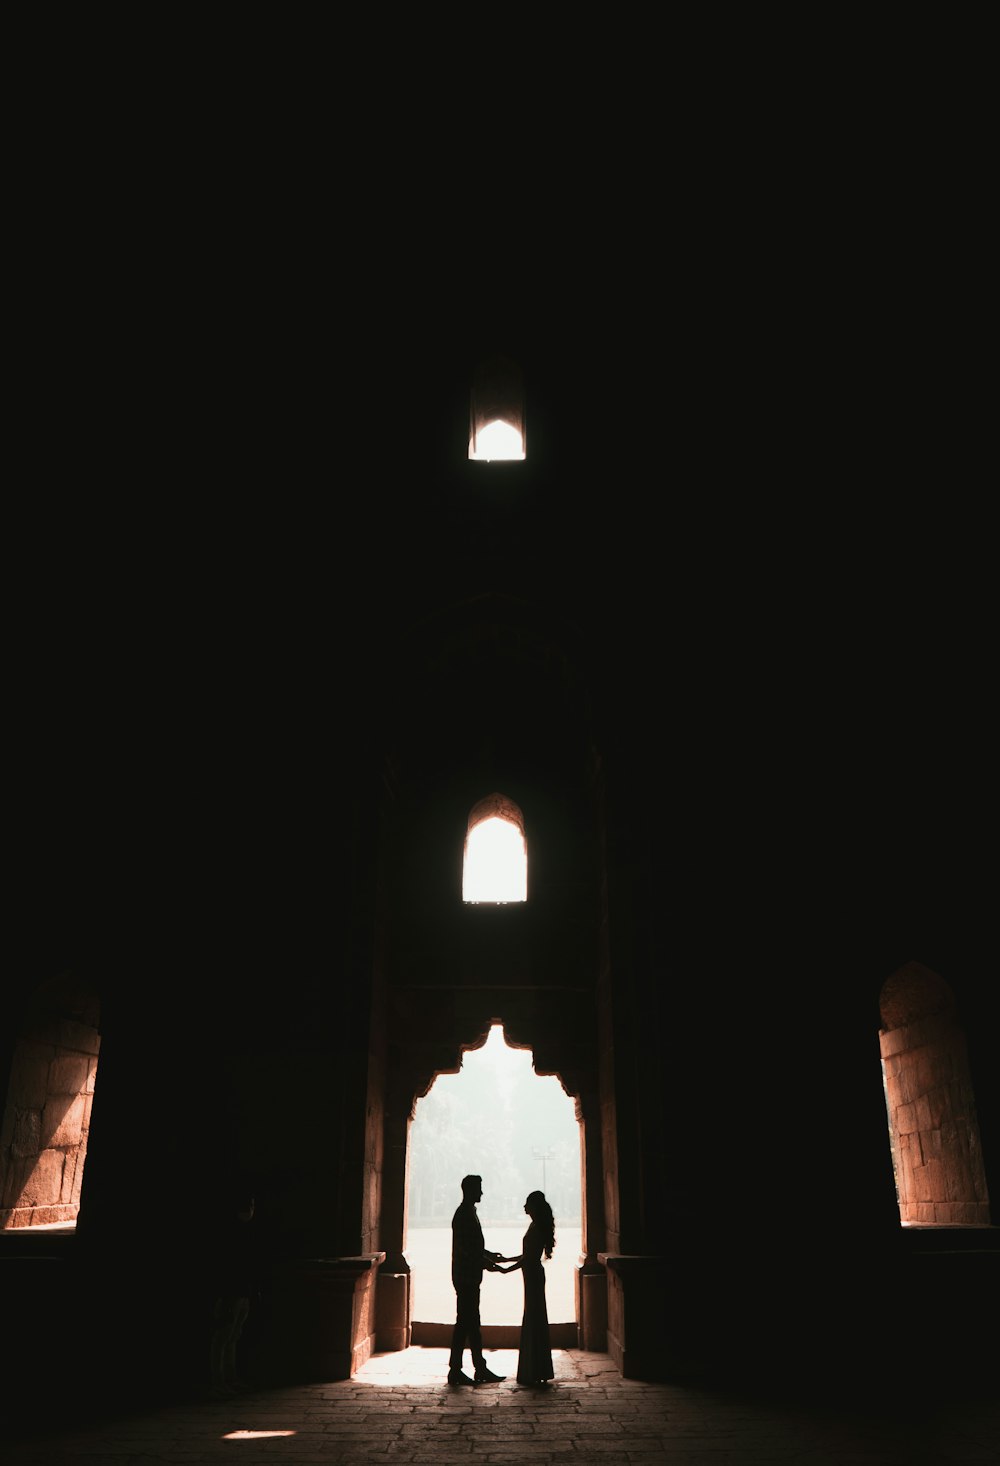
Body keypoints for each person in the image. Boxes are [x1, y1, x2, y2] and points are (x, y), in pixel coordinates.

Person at [448, 1174, 507, 1385]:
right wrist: (485, 1261)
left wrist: (488, 1256)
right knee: (467, 1324)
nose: (481, 1192)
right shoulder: (465, 1214)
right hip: (467, 1277)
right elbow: (466, 1250)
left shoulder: (466, 1212)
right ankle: (460, 1369)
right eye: (479, 1188)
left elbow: (471, 1247)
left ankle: (473, 1367)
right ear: (470, 1190)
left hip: (468, 1275)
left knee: (469, 1324)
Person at [496, 1190, 555, 1387]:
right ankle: (538, 1369)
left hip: (533, 1275)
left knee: (534, 1318)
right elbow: (527, 1255)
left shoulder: (536, 1227)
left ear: (534, 1207)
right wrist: (506, 1260)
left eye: (527, 1203)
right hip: (532, 1273)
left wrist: (506, 1269)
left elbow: (527, 1258)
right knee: (535, 1318)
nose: (524, 1207)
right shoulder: (536, 1226)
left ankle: (534, 1369)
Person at [207, 1182, 260, 1397]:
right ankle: (218, 1379)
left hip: (241, 1291)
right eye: (248, 1206)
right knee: (223, 1337)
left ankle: (229, 1377)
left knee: (233, 1335)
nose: (251, 1210)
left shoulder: (243, 1234)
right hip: (231, 1292)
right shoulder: (230, 1235)